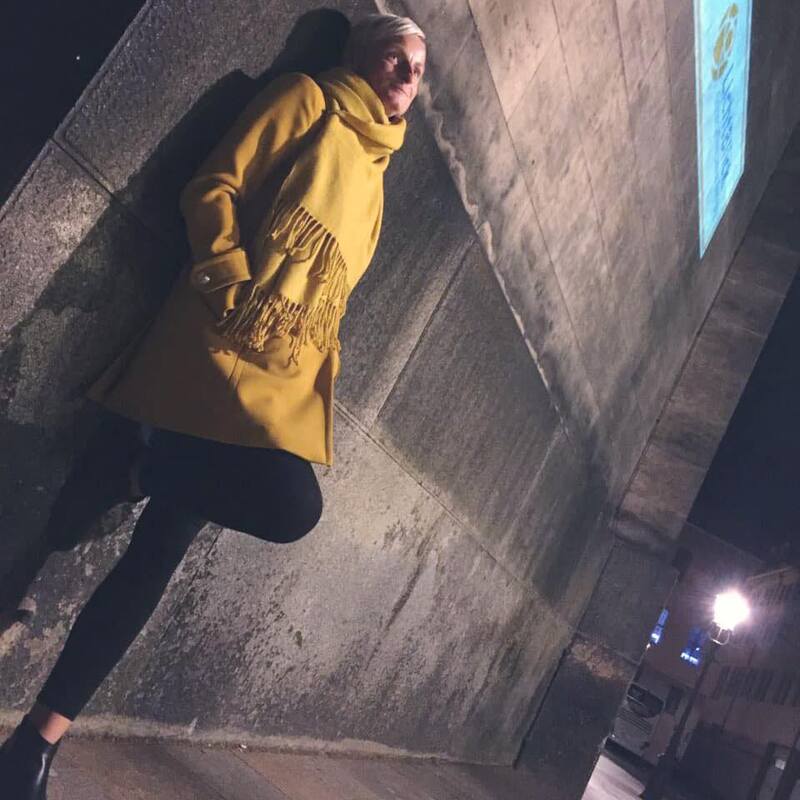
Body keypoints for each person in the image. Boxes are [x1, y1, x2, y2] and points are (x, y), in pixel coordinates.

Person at [0, 12, 426, 798]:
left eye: (418, 70)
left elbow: (328, 299)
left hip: (273, 384)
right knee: (291, 507)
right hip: (215, 352)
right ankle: (136, 468)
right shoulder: (307, 100)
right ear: (362, 56)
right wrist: (229, 284)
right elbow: (214, 185)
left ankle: (34, 745)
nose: (408, 77)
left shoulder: (375, 179)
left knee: (157, 557)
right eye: (396, 58)